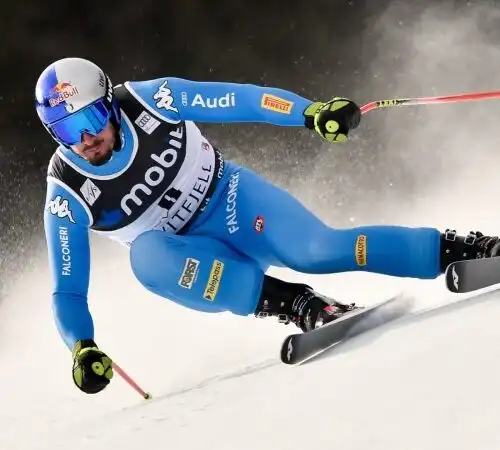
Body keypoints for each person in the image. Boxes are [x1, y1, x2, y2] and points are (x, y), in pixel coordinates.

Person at [35, 57, 499, 395]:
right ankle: (300, 306)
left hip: (232, 202)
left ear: (110, 104)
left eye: (92, 119)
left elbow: (241, 100)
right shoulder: (68, 194)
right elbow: (68, 292)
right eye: (67, 132)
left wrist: (310, 113)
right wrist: (82, 348)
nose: (87, 140)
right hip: (189, 255)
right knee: (146, 258)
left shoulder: (152, 100)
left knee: (318, 250)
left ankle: (465, 249)